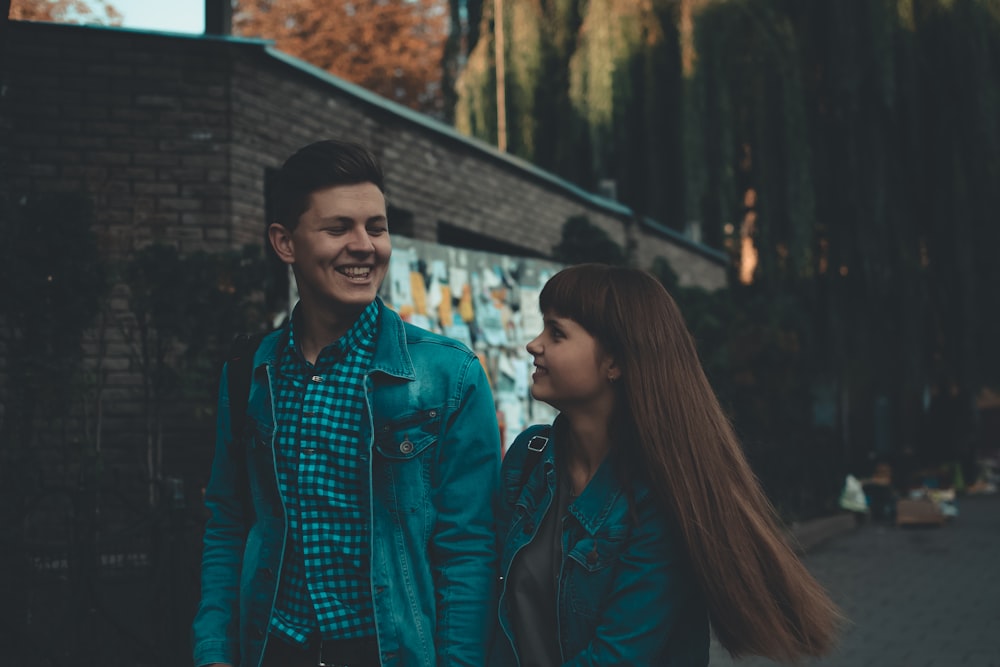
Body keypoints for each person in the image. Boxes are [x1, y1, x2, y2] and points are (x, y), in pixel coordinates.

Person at [192, 139, 501, 667]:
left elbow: (468, 552)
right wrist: (215, 651)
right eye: (339, 228)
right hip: (274, 649)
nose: (365, 246)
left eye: (376, 228)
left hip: (390, 653)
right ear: (285, 242)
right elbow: (229, 523)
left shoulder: (448, 375)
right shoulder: (250, 373)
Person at [491, 264, 841, 666]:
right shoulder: (528, 456)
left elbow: (616, 656)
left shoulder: (662, 496)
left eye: (557, 332)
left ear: (614, 363)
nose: (534, 345)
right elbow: (492, 603)